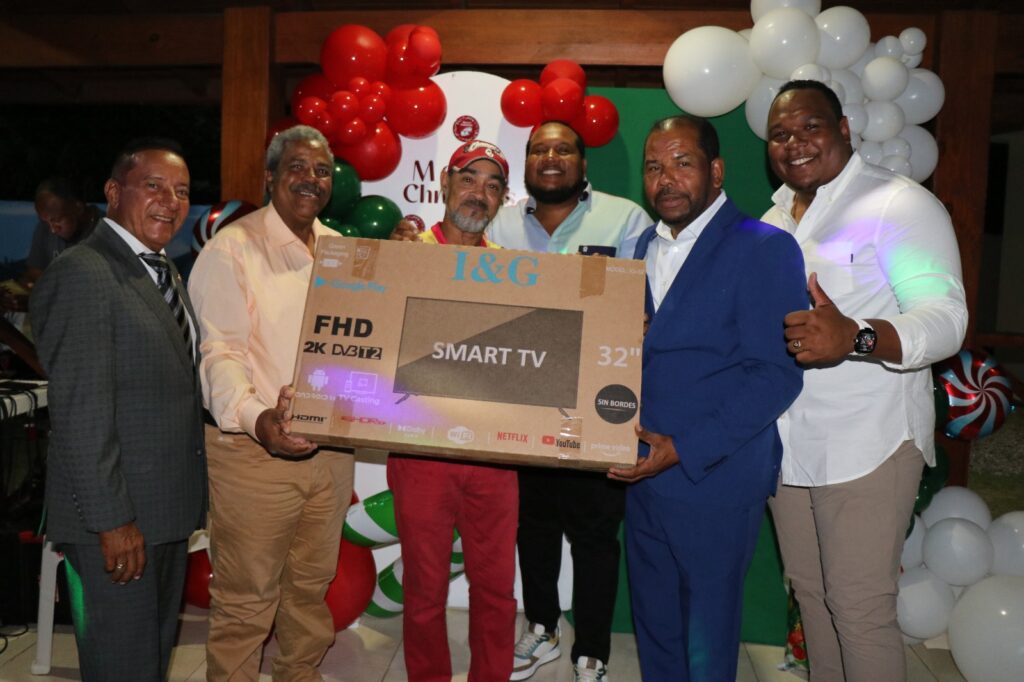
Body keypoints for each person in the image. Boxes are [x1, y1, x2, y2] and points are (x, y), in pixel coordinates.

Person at [762, 80, 967, 682]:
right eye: (780, 134)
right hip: (789, 444)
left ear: (845, 129)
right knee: (812, 598)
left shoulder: (898, 203)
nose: (795, 142)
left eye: (810, 126)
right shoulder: (772, 221)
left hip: (869, 442)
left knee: (859, 610)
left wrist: (857, 336)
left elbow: (946, 320)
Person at [607, 115, 807, 682]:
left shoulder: (764, 247)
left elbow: (776, 376)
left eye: (682, 163)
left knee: (707, 639)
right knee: (656, 627)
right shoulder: (640, 246)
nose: (665, 179)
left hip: (714, 478)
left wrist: (685, 448)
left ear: (716, 171)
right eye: (653, 167)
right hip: (641, 476)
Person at [30, 138, 206, 681]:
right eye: (153, 186)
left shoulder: (161, 270)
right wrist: (113, 522)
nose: (170, 201)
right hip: (116, 523)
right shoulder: (85, 272)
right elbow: (81, 411)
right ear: (113, 192)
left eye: (182, 191)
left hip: (161, 514)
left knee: (144, 665)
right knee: (121, 668)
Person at [188, 125, 355, 681]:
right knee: (246, 601)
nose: (311, 179)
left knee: (310, 591)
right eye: (298, 167)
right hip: (254, 454)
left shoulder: (339, 250)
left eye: (322, 171)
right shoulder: (232, 249)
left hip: (331, 454)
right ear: (270, 177)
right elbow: (218, 353)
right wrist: (259, 420)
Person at [491, 121, 651, 682]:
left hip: (597, 404)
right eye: (539, 149)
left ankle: (593, 650)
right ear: (527, 163)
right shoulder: (501, 223)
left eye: (563, 149)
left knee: (594, 534)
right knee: (532, 524)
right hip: (523, 399)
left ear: (584, 163)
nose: (551, 157)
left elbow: (649, 300)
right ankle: (542, 626)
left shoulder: (626, 219)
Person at [387, 139, 519, 682]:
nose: (478, 194)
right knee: (424, 590)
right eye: (469, 179)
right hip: (420, 450)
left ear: (502, 199)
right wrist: (390, 263)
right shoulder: (405, 252)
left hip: (494, 453)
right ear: (445, 182)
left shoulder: (513, 270)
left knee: (496, 590)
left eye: (492, 186)